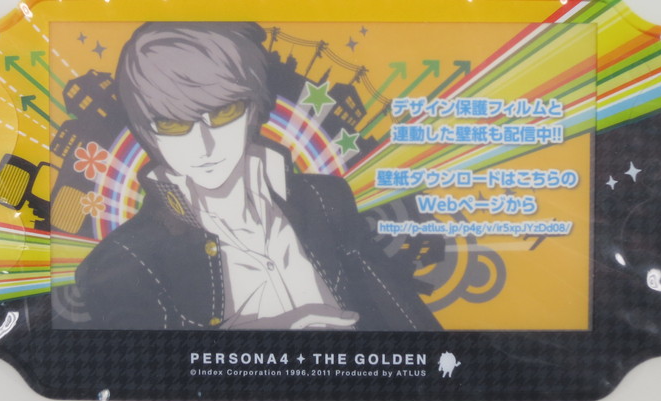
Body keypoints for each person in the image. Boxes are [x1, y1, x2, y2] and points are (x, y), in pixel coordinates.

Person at [74, 22, 441, 332]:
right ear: (147, 132)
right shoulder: (126, 259)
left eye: (223, 113)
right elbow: (142, 378)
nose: (204, 144)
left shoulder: (325, 200)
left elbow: (406, 318)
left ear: (253, 109)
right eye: (174, 124)